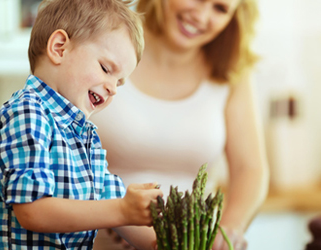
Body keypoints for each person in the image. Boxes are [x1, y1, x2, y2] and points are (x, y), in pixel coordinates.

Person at [0, 0, 164, 249]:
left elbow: (111, 203)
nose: (113, 88)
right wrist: (122, 209)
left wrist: (163, 243)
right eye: (106, 69)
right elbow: (33, 211)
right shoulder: (28, 112)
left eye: (120, 82)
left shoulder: (86, 134)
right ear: (59, 48)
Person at [90, 0, 268, 249]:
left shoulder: (231, 70)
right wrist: (116, 216)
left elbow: (249, 169)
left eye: (220, 8)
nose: (202, 17)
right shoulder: (102, 39)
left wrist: (229, 229)